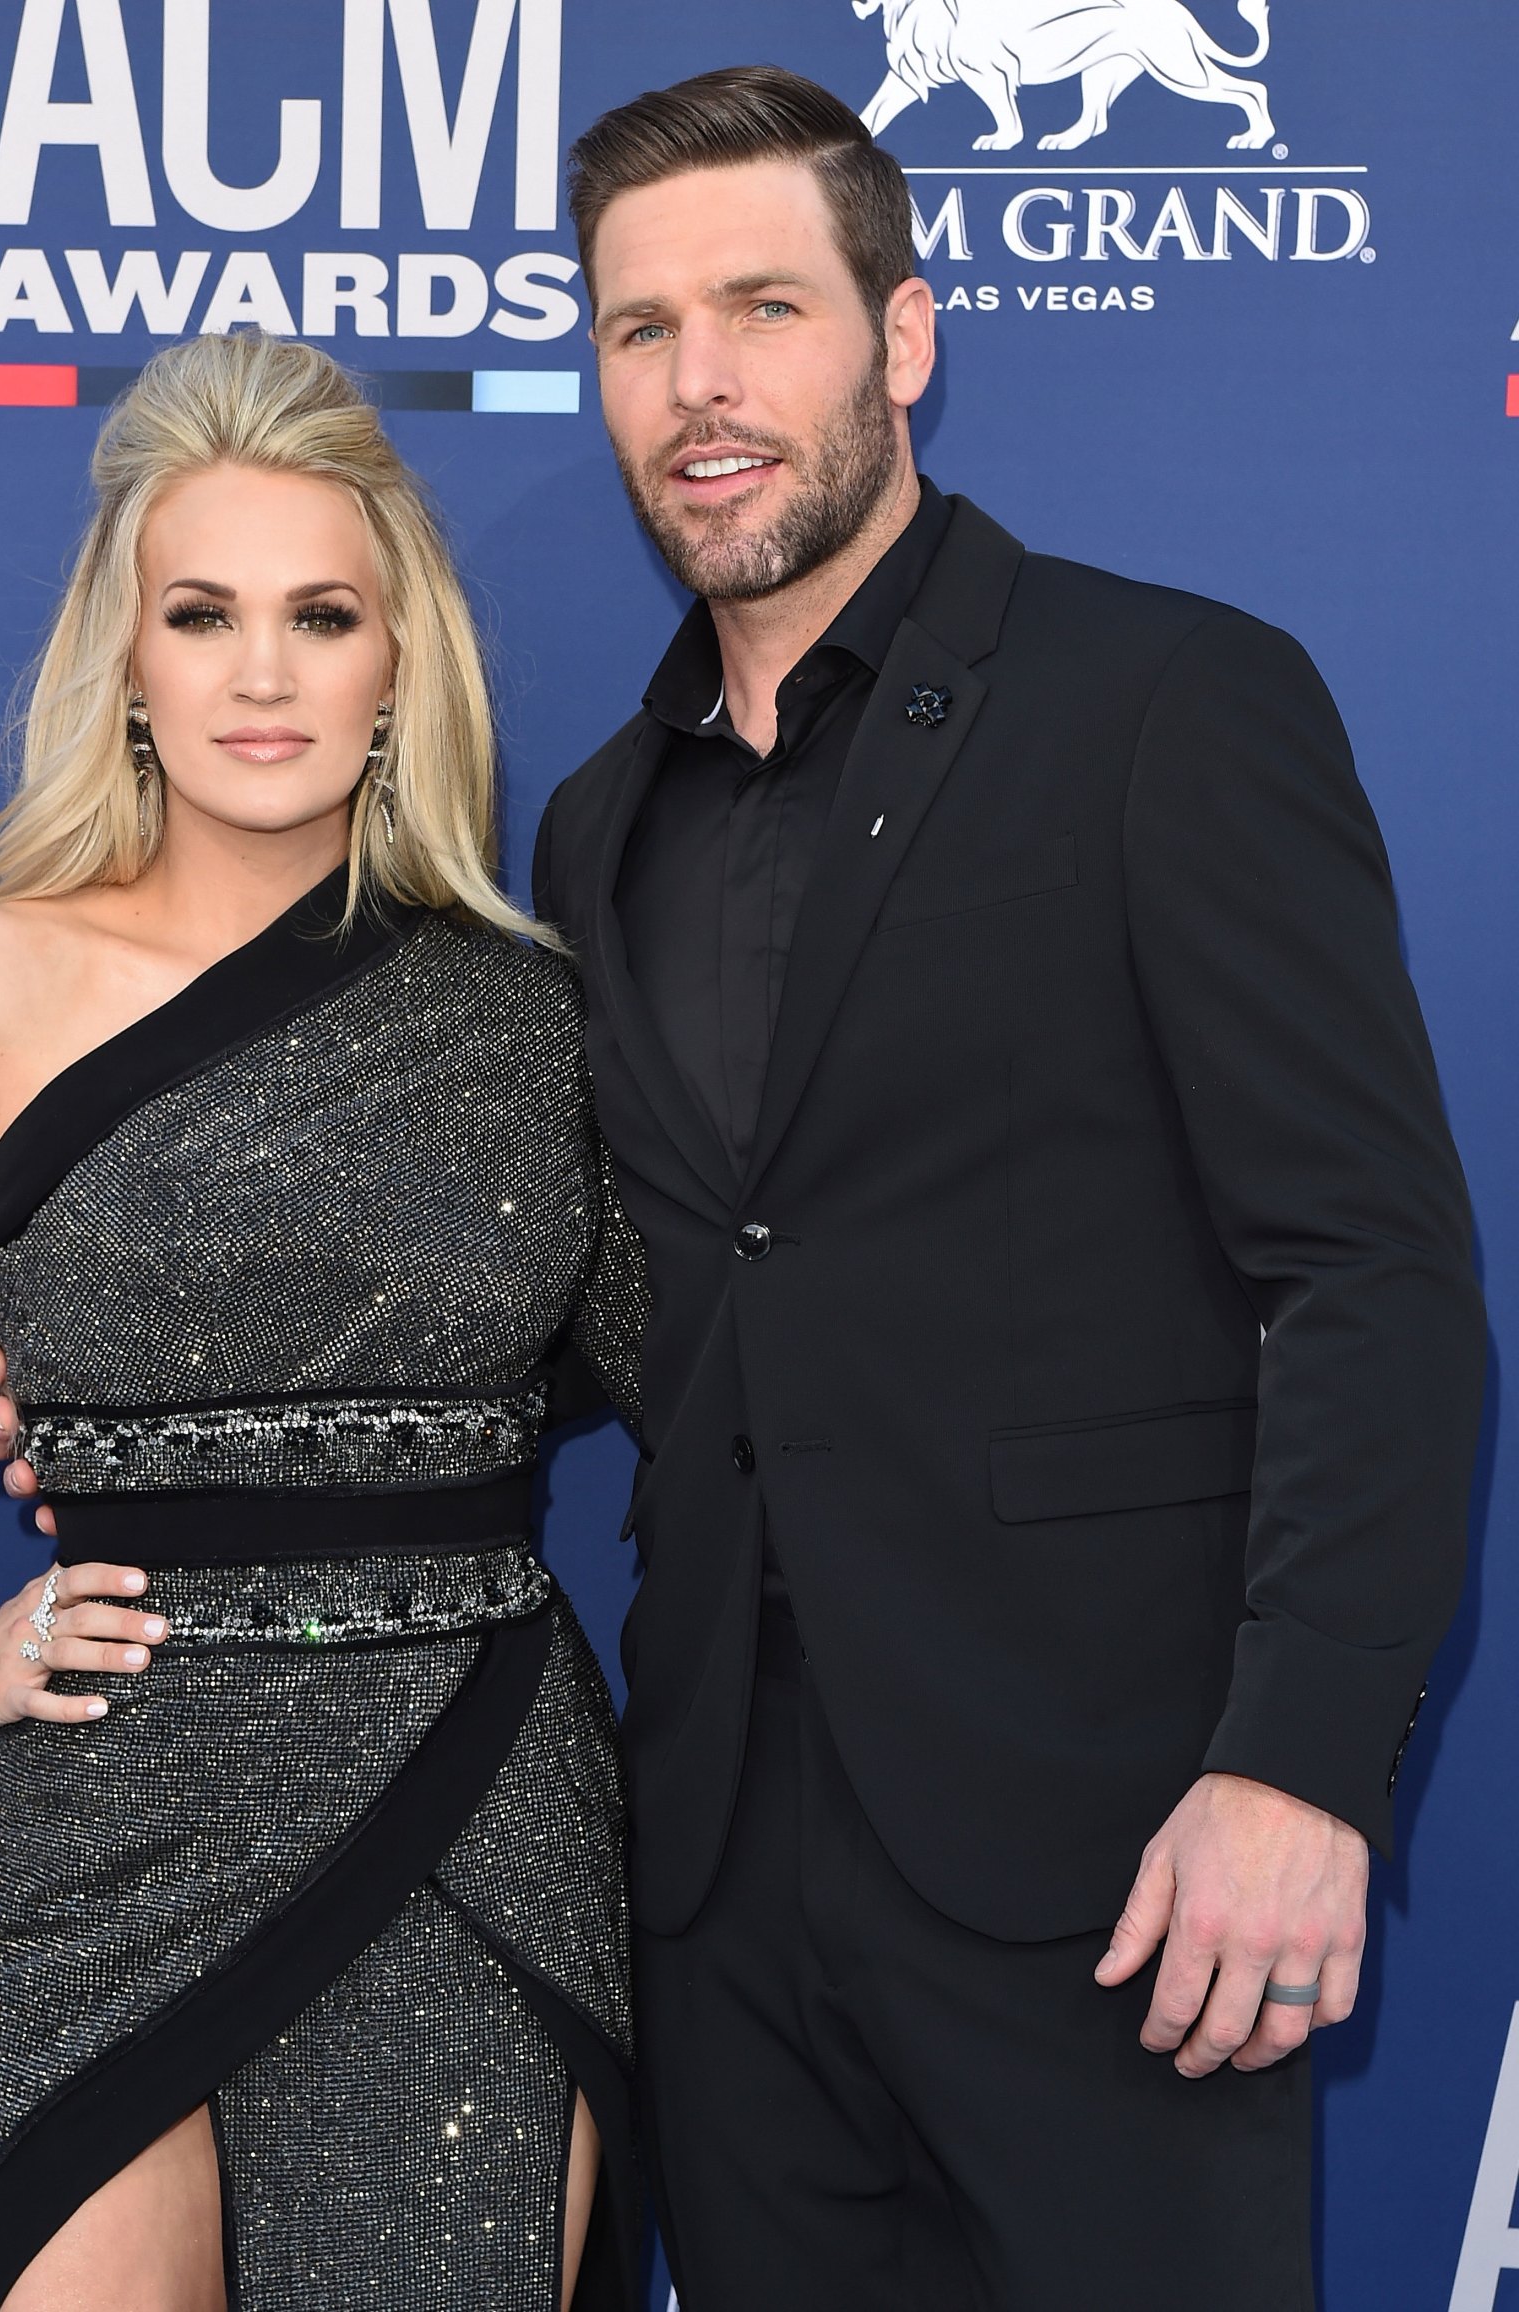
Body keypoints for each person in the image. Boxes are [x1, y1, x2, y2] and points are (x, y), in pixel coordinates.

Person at [528, 64, 1480, 2312]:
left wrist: (1300, 1765)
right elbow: (632, 1294)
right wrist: (210, 1371)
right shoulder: (594, 822)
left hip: (1125, 1860)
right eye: (643, 329)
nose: (700, 384)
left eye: (764, 308)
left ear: (906, 333)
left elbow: (1369, 1266)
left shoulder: (1170, 700)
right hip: (721, 1874)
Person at [0, 331, 646, 2312]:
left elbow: (662, 1348)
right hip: (115, 1809)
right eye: (203, 613)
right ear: (130, 665)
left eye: (320, 616)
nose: (262, 673)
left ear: (399, 666)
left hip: (472, 1795)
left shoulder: (525, 1015)